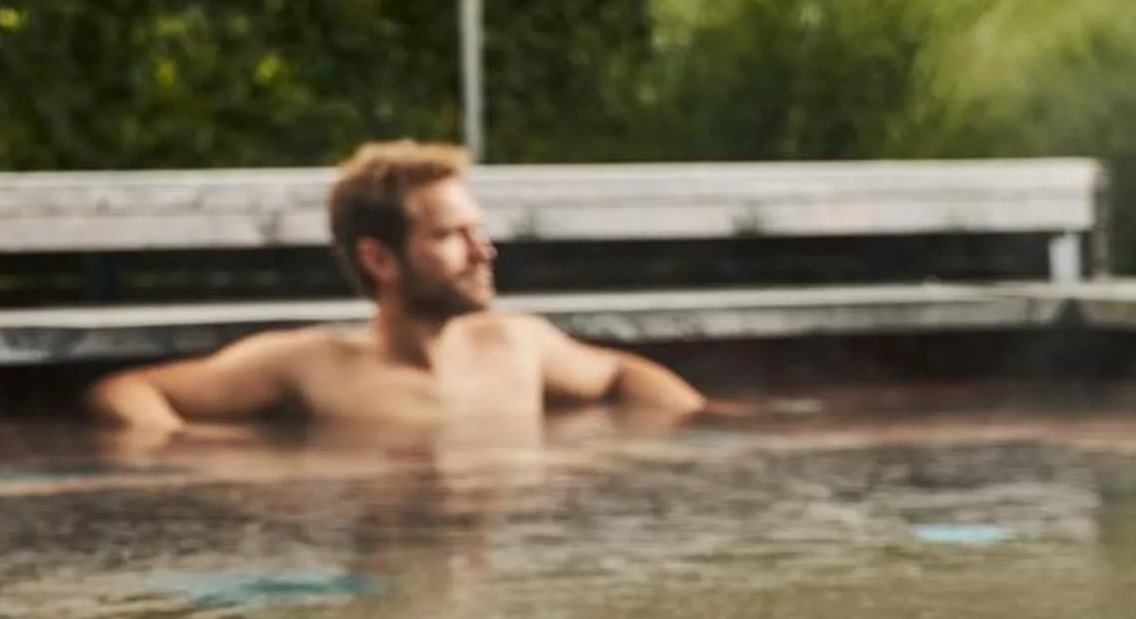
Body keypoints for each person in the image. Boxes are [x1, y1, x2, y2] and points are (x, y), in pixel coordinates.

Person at [85, 141, 707, 441]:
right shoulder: (310, 365)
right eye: (451, 236)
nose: (483, 251)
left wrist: (701, 424)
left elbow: (624, 374)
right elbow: (125, 391)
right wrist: (196, 448)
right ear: (379, 258)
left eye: (478, 231)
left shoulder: (519, 345)